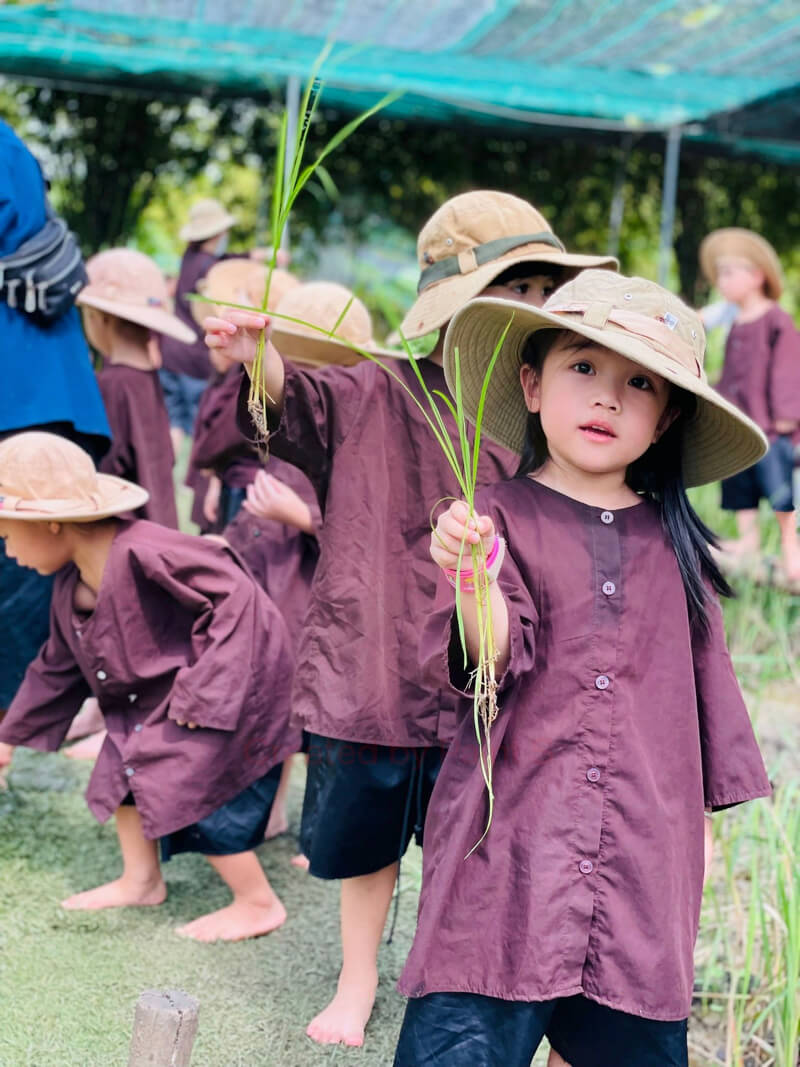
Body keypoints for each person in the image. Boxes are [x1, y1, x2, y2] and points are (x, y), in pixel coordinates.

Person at [205, 191, 617, 1049]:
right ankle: (358, 979)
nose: (536, 308)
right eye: (521, 287)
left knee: (482, 849)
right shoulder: (379, 389)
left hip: (501, 675)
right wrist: (259, 358)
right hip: (379, 664)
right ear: (459, 306)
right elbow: (296, 405)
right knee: (368, 843)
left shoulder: (551, 416)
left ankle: (453, 981)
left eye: (546, 289)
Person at [392, 269, 772, 1066]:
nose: (607, 397)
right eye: (583, 367)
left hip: (640, 864)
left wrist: (681, 853)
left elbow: (694, 735)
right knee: (466, 1038)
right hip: (504, 854)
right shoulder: (495, 517)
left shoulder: (679, 553)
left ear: (666, 418)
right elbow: (489, 658)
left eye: (639, 382)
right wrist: (474, 580)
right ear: (531, 385)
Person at [0, 432, 300, 942]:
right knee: (120, 763)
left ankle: (257, 902)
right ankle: (141, 881)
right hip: (169, 696)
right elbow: (55, 668)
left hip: (228, 687)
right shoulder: (71, 582)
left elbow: (239, 602)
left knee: (185, 781)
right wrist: (7, 740)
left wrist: (202, 696)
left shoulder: (146, 549)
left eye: (7, 534)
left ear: (49, 521)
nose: (7, 549)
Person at [0, 120, 110, 716]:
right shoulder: (10, 142)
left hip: (21, 393)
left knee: (22, 571)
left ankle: (17, 721)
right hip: (45, 388)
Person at [699, 227, 800, 587]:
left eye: (729, 273)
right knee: (739, 485)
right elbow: (731, 375)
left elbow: (788, 366)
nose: (722, 281)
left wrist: (787, 414)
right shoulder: (735, 323)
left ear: (756, 275)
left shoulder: (776, 320)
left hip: (770, 426)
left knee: (779, 487)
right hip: (740, 424)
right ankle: (749, 542)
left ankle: (791, 545)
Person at [78, 248, 195, 529]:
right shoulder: (147, 379)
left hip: (126, 542)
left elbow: (102, 473)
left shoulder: (112, 385)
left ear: (99, 318)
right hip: (160, 528)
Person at [159, 198, 238, 454]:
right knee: (199, 427)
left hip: (170, 351)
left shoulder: (188, 258)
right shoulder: (212, 269)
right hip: (194, 358)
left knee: (175, 423)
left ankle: (166, 480)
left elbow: (227, 258)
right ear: (218, 232)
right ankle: (196, 487)